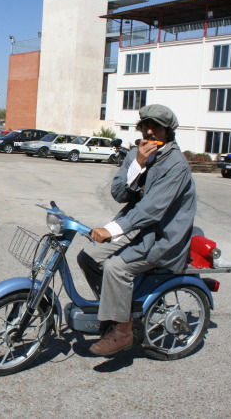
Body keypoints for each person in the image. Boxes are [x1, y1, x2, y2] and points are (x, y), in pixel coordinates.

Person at [77, 104, 196, 356]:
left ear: (168, 132)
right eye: (146, 126)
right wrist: (138, 165)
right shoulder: (136, 154)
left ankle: (122, 332)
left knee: (115, 267)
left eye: (157, 127)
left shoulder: (176, 164)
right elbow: (119, 193)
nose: (150, 131)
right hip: (136, 229)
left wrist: (111, 229)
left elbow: (153, 210)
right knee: (87, 258)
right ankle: (115, 312)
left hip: (162, 236)